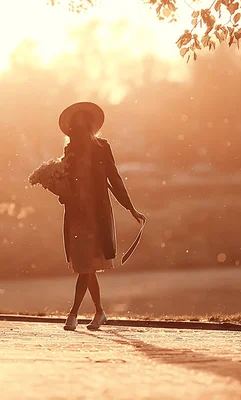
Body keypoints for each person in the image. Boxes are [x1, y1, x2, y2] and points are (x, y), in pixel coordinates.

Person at [56, 102, 146, 331]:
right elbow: (65, 183)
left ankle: (73, 313)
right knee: (86, 265)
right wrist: (62, 192)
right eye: (74, 126)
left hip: (97, 216)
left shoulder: (102, 148)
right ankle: (100, 312)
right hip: (77, 215)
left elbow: (114, 179)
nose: (78, 129)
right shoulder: (70, 152)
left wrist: (130, 208)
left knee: (86, 265)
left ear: (89, 126)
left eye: (81, 124)